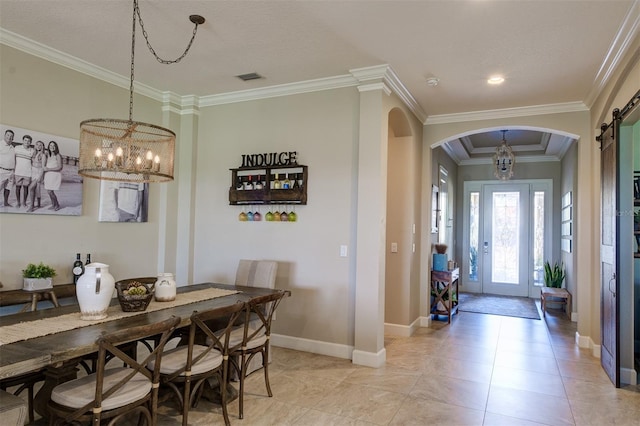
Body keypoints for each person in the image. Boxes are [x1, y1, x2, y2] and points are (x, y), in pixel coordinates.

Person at [14, 134, 34, 208]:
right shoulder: (17, 148)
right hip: (18, 172)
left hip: (27, 173)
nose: (27, 142)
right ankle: (18, 202)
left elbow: (34, 162)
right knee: (18, 187)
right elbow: (12, 159)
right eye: (25, 140)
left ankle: (24, 203)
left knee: (26, 188)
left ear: (30, 142)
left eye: (29, 141)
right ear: (23, 141)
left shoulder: (32, 150)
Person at [43, 140, 63, 211]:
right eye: (51, 145)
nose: (52, 147)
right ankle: (53, 204)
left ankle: (56, 204)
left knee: (50, 191)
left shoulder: (58, 155)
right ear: (48, 146)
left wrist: (48, 169)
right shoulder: (48, 155)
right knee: (49, 191)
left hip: (54, 175)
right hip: (48, 175)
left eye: (54, 146)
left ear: (56, 147)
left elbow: (60, 167)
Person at [27, 140, 46, 212]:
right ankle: (38, 204)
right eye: (37, 144)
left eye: (40, 145)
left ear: (42, 147)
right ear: (35, 145)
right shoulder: (33, 153)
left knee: (31, 188)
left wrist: (40, 176)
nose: (38, 146)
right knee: (37, 189)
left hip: (38, 172)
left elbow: (43, 167)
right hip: (32, 172)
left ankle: (31, 206)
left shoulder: (43, 155)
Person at [0, 129, 16, 207]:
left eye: (11, 136)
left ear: (13, 138)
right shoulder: (0, 144)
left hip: (11, 172)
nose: (9, 137)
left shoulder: (13, 147)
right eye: (8, 135)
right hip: (1, 170)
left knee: (8, 188)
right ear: (4, 136)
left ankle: (6, 202)